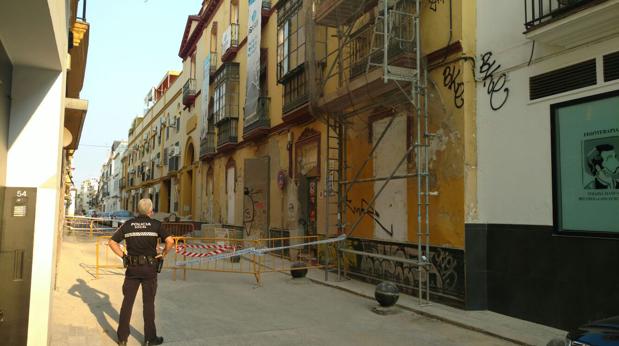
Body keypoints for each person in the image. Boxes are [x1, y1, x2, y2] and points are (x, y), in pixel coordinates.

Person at [108, 198, 174, 345]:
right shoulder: (156, 224)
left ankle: (122, 338)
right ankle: (150, 339)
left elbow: (112, 243)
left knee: (127, 303)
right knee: (148, 304)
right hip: (150, 270)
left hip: (132, 269)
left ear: (138, 210)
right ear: (151, 211)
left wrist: (124, 256)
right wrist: (163, 254)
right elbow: (170, 241)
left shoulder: (128, 225)